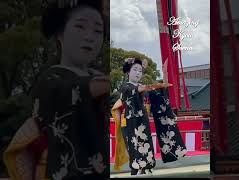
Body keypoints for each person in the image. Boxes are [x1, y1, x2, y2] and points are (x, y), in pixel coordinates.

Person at [3, 0, 108, 179]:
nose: (90, 36)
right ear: (60, 33)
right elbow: (66, 91)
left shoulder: (97, 77)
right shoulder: (51, 79)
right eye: (80, 27)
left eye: (98, 31)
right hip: (62, 169)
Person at [112, 58, 187, 176]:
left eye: (140, 71)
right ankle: (136, 172)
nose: (138, 73)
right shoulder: (125, 87)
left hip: (142, 121)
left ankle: (147, 170)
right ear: (128, 72)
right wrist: (157, 85)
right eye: (135, 69)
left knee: (147, 149)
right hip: (130, 123)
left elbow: (161, 92)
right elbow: (141, 89)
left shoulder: (143, 87)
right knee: (135, 151)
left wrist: (165, 74)